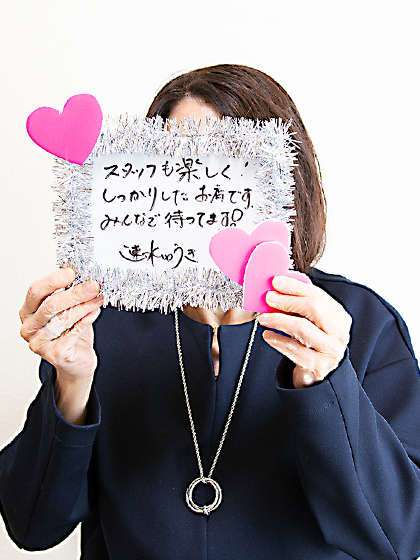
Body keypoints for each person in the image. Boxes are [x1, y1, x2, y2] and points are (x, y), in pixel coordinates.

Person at [1, 64, 419, 559]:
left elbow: (401, 537)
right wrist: (71, 385)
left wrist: (325, 381)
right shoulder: (101, 322)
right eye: (178, 163)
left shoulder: (357, 322)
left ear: (286, 179)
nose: (200, 190)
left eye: (228, 162)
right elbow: (32, 525)